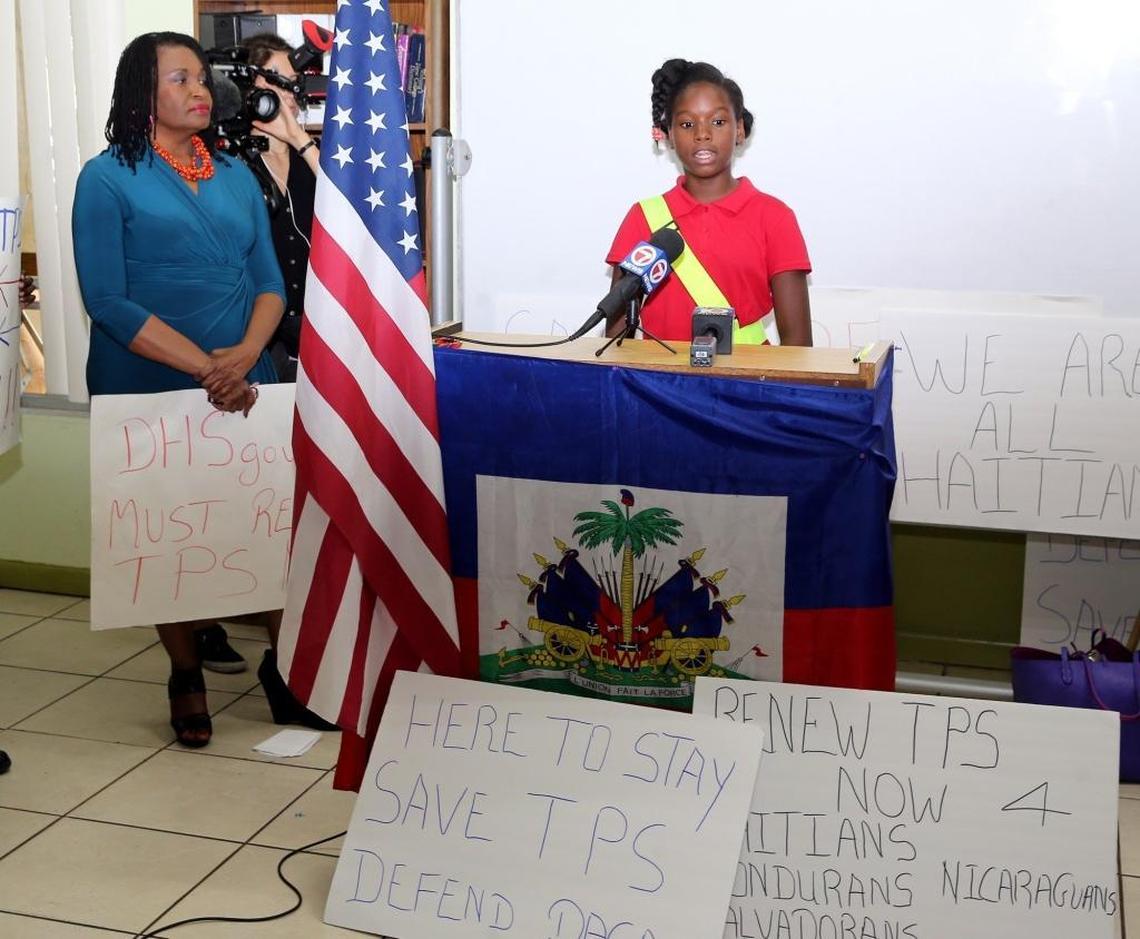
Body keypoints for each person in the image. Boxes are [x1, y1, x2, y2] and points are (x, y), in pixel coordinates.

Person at [72, 32, 285, 748]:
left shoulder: (235, 176)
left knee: (261, 530)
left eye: (203, 78)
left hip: (244, 382)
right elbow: (108, 300)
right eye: (180, 79)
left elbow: (269, 284)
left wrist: (246, 355)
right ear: (143, 93)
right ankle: (185, 671)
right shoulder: (105, 178)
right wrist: (205, 367)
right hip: (149, 384)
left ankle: (283, 670)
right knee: (168, 536)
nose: (201, 91)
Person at [606, 58, 813, 347]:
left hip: (747, 387)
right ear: (669, 135)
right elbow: (617, 342)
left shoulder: (774, 217)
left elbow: (798, 347)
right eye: (687, 124)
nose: (702, 134)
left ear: (739, 129)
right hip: (659, 386)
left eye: (717, 121)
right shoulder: (643, 217)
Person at [241, 33, 320, 383]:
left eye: (293, 83)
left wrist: (298, 139)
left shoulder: (311, 157)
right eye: (276, 80)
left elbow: (350, 206)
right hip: (257, 338)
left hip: (315, 329)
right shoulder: (231, 160)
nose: (287, 91)